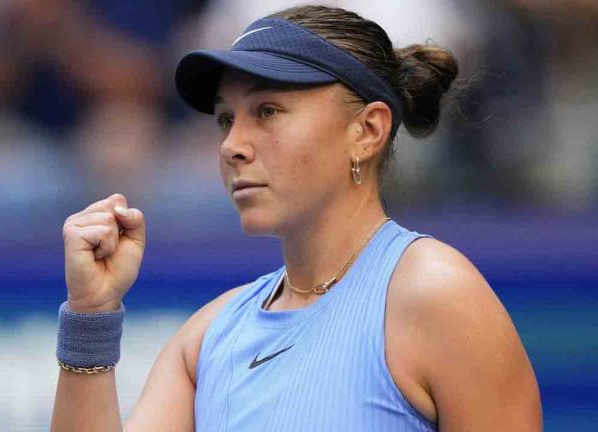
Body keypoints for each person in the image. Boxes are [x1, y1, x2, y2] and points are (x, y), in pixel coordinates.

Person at [51, 5, 542, 431]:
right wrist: (90, 315)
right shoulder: (207, 338)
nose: (231, 145)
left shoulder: (437, 294)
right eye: (226, 119)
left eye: (267, 111)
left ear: (367, 130)